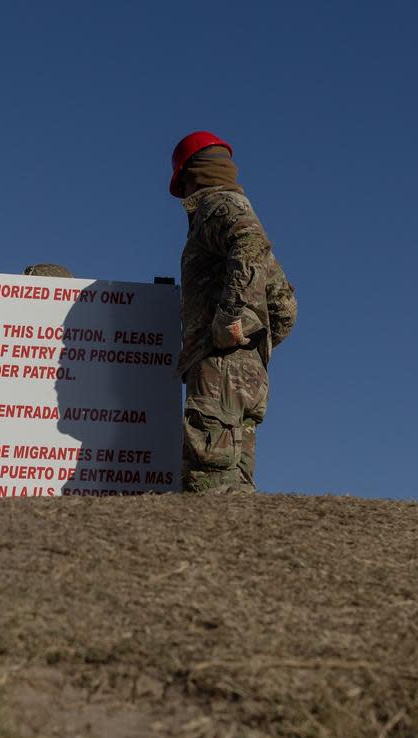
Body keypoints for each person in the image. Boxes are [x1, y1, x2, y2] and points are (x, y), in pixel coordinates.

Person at [169, 131, 297, 493]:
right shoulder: (237, 207)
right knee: (235, 490)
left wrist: (230, 321)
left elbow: (250, 242)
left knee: (209, 483)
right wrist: (254, 345)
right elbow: (283, 303)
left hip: (219, 371)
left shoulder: (216, 206)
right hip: (243, 374)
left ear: (189, 175)